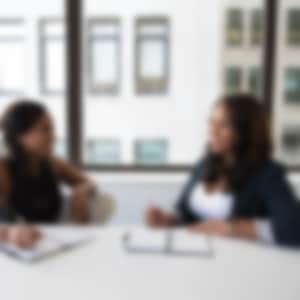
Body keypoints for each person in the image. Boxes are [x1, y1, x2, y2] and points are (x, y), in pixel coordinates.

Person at [146, 94, 300, 247]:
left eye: (224, 125)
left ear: (245, 132)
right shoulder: (203, 165)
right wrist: (168, 220)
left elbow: (294, 229)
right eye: (211, 122)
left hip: (241, 263)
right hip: (200, 256)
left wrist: (235, 228)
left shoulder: (268, 174)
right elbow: (187, 216)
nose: (212, 131)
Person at [0, 100, 96, 224]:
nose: (53, 137)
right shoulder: (3, 169)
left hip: (49, 239)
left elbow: (87, 182)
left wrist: (80, 192)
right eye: (45, 129)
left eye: (51, 129)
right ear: (20, 135)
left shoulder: (52, 163)